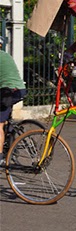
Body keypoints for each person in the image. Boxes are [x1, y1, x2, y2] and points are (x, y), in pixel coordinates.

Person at [0, 37, 27, 166]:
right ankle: (9, 135)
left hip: (8, 92)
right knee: (4, 118)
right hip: (19, 89)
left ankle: (0, 157)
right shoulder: (6, 56)